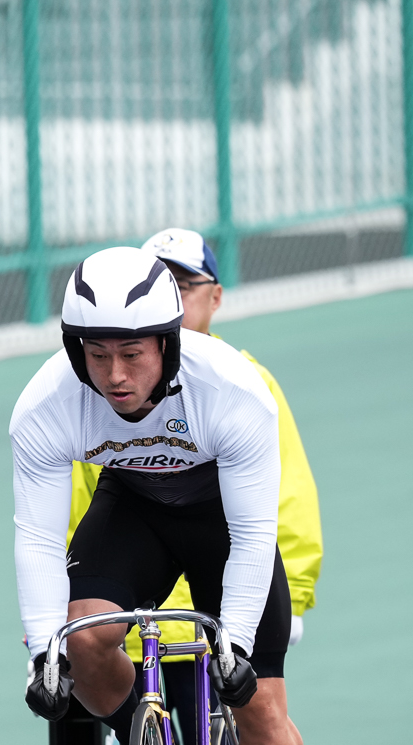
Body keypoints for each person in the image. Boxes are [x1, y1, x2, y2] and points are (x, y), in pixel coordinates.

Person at [12, 244, 306, 745]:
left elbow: (253, 537)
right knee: (84, 638)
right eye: (96, 353)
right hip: (134, 508)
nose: (114, 374)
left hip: (221, 521)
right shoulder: (46, 404)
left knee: (262, 704)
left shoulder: (233, 389)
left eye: (132, 353)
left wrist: (234, 646)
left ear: (169, 343)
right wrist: (43, 650)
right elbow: (40, 538)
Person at [67, 228, 323, 652]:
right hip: (134, 620)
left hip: (222, 611)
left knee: (254, 710)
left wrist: (291, 595)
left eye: (182, 287)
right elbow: (83, 500)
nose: (171, 301)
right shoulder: (107, 389)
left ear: (216, 297)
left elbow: (287, 494)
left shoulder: (247, 383)